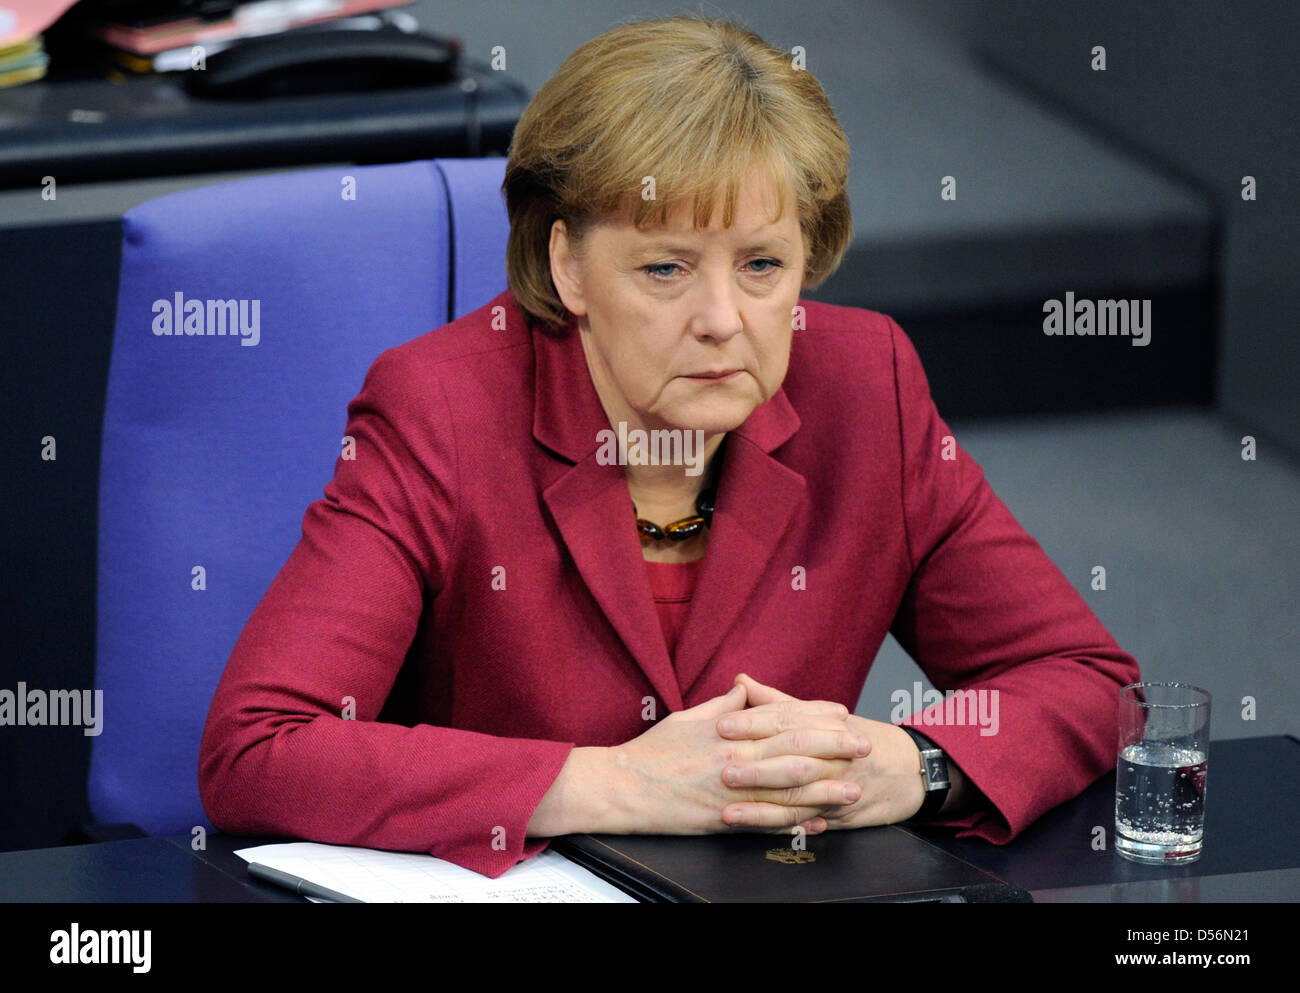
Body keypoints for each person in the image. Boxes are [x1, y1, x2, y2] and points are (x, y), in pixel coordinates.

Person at [198, 14, 1140, 879]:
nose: (723, 321)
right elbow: (261, 746)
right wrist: (617, 782)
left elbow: (1090, 682)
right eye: (665, 268)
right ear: (566, 264)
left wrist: (910, 765)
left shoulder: (868, 386)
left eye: (763, 265)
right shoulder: (442, 407)